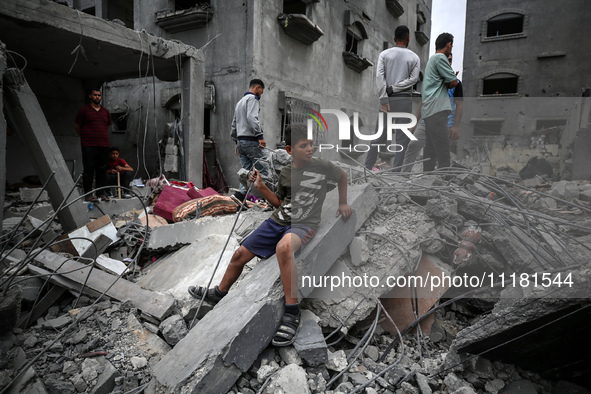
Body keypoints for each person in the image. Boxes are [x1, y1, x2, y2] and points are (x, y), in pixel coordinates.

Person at [189, 124, 352, 346]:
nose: (310, 149)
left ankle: (292, 312)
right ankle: (219, 292)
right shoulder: (286, 173)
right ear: (289, 149)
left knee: (283, 248)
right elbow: (279, 204)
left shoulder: (322, 166)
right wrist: (261, 187)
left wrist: (343, 202)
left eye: (311, 144)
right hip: (278, 221)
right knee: (239, 255)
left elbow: (342, 176)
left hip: (303, 224)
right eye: (303, 145)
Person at [365, 25, 420, 172]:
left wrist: (384, 97)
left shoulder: (384, 54)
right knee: (401, 139)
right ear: (408, 38)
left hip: (387, 101)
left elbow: (379, 77)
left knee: (378, 136)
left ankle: (367, 168)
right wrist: (395, 88)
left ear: (394, 39)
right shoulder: (414, 57)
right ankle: (396, 174)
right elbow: (414, 79)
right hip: (404, 101)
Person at [401, 53, 463, 172]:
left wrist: (455, 126)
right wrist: (415, 122)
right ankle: (403, 175)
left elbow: (459, 105)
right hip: (426, 121)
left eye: (449, 60)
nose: (447, 62)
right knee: (413, 145)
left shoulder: (456, 84)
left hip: (445, 123)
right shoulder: (431, 82)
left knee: (439, 153)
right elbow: (423, 102)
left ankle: (438, 182)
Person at [421, 33, 458, 172]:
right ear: (448, 45)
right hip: (436, 111)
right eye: (452, 46)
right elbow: (453, 82)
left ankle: (427, 178)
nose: (452, 48)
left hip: (430, 111)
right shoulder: (440, 58)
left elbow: (446, 82)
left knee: (430, 149)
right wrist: (451, 77)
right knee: (443, 148)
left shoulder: (433, 59)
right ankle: (445, 179)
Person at [230, 79, 268, 201]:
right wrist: (260, 136)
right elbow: (252, 118)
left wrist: (237, 141)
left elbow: (234, 124)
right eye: (261, 91)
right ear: (257, 88)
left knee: (246, 171)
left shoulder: (240, 102)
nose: (260, 95)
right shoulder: (253, 99)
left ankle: (240, 196)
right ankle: (264, 197)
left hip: (241, 141)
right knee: (263, 168)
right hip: (250, 141)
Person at [75, 88, 112, 201]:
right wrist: (85, 137)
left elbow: (108, 126)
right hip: (88, 145)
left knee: (101, 170)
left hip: (103, 145)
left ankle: (101, 193)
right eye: (95, 95)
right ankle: (88, 194)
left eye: (99, 95)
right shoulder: (84, 110)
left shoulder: (105, 112)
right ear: (90, 96)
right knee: (89, 170)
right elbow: (77, 125)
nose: (97, 97)